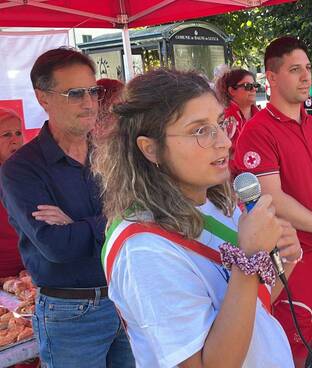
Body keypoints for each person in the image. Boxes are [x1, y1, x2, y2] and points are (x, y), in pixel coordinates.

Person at [92, 68, 297, 367]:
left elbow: (253, 308)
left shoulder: (220, 206)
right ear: (150, 149)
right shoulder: (143, 251)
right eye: (200, 130)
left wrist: (282, 260)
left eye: (219, 123)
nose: (224, 142)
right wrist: (250, 256)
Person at [0, 47, 134, 367]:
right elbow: (57, 246)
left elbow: (144, 217)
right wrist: (116, 219)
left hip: (127, 297)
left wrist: (79, 224)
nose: (89, 102)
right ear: (43, 98)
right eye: (75, 93)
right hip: (70, 312)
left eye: (93, 91)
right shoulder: (22, 169)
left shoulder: (110, 154)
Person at [232, 36, 312, 368]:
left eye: (308, 68)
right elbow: (273, 199)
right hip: (295, 257)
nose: (305, 77)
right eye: (294, 69)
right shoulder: (257, 131)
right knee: (292, 347)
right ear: (271, 77)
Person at [0, 108, 24, 278]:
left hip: (29, 269)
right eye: (6, 135)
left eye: (18, 133)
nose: (15, 140)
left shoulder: (28, 172)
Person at [216, 68, 260, 144]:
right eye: (248, 86)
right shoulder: (223, 119)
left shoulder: (262, 115)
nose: (254, 89)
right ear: (232, 91)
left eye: (255, 85)